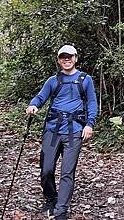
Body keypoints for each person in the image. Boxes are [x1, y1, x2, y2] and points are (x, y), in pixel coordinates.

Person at [26, 45, 98, 220]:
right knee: (46, 169)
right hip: (52, 130)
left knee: (67, 172)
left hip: (75, 131)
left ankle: (61, 211)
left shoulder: (85, 79)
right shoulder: (53, 80)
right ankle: (51, 197)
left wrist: (89, 124)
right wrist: (33, 105)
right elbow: (41, 97)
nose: (67, 59)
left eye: (70, 56)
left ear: (75, 58)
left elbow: (92, 103)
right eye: (63, 57)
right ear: (58, 60)